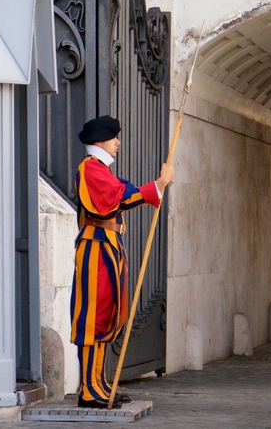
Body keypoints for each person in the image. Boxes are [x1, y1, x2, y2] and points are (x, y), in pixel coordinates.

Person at [70, 115, 175, 409]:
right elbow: (118, 198)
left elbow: (123, 191)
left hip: (108, 246)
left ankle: (99, 382)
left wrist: (154, 187)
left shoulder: (100, 169)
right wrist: (158, 185)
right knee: (93, 317)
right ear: (101, 140)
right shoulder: (91, 169)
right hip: (97, 246)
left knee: (106, 315)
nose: (118, 143)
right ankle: (89, 389)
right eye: (114, 137)